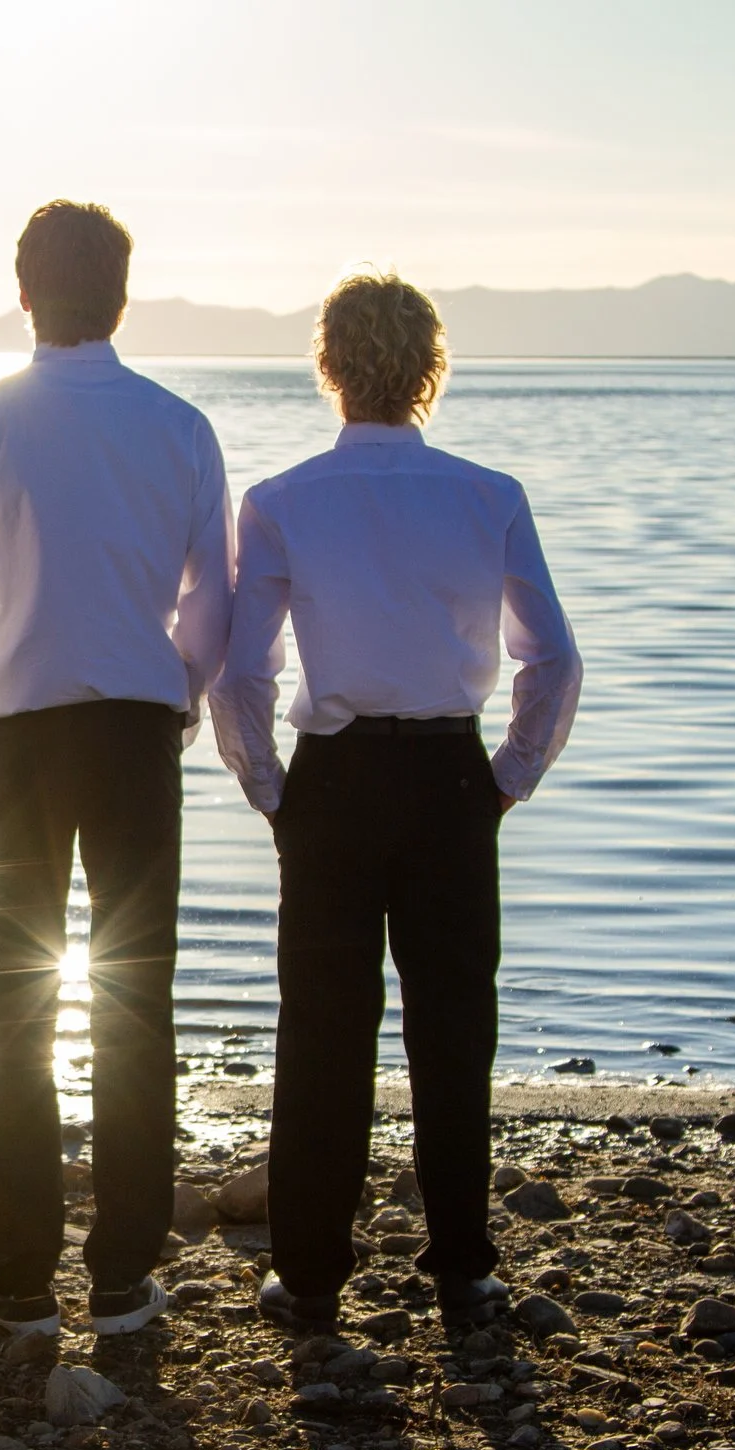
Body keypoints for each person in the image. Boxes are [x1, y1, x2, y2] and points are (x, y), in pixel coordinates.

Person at [209, 271, 583, 1336]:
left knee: (323, 1031)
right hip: (449, 777)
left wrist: (271, 790)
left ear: (327, 367)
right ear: (430, 369)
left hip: (332, 779)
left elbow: (240, 675)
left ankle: (310, 1275)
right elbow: (553, 660)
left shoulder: (281, 501)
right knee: (454, 1027)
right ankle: (463, 1268)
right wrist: (506, 777)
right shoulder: (487, 495)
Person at [0, 200, 233, 1340]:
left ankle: (20, 1281)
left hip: (15, 735)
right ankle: (121, 1274)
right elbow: (212, 595)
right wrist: (178, 693)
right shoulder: (180, 428)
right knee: (136, 1000)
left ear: (23, 292)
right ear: (122, 296)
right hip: (135, 727)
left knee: (10, 1002)